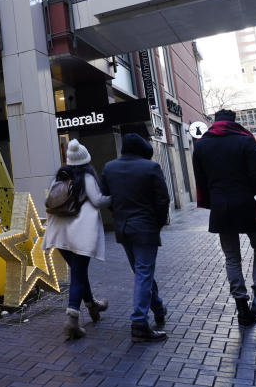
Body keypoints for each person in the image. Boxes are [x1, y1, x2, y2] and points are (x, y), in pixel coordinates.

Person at [193, 109, 256, 326]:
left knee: (232, 257)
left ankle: (242, 307)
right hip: (246, 203)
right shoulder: (245, 141)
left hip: (220, 207)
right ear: (234, 122)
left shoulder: (201, 145)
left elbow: (200, 180)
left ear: (214, 122)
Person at [101, 133, 170, 343]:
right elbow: (163, 199)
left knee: (142, 271)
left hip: (123, 227)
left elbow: (107, 198)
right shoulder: (150, 168)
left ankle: (158, 307)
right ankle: (139, 323)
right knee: (143, 272)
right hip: (145, 227)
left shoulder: (109, 167)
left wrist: (118, 214)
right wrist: (156, 223)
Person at [42, 139, 111, 340]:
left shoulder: (59, 178)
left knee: (79, 273)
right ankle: (72, 319)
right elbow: (98, 200)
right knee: (78, 274)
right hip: (80, 234)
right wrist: (115, 197)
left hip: (58, 234)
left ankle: (91, 305)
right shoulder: (86, 176)